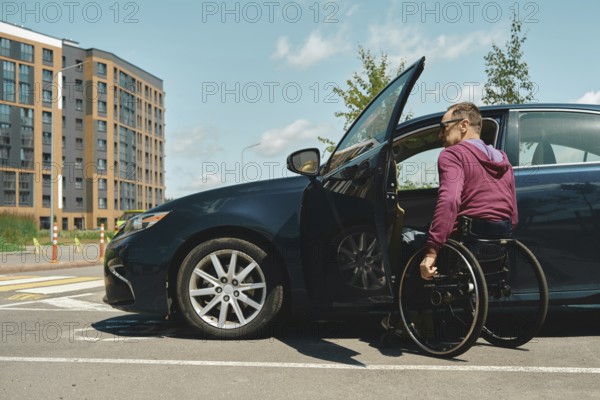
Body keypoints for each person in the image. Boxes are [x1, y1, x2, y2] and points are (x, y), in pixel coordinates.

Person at [419, 101, 518, 280]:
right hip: (498, 239)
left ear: (464, 125)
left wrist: (432, 251)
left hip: (464, 240)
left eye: (444, 126)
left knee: (409, 240)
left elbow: (450, 202)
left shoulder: (453, 154)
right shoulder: (503, 159)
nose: (440, 134)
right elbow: (514, 213)